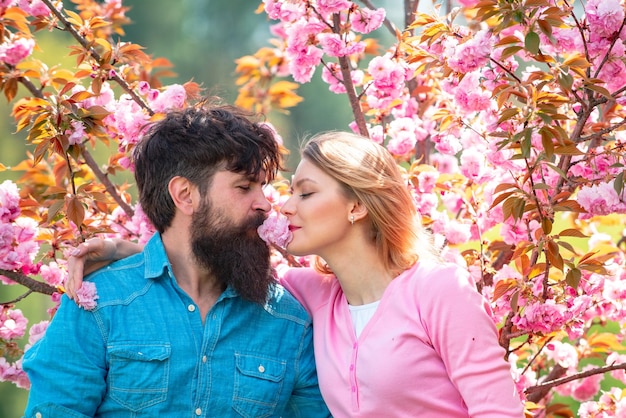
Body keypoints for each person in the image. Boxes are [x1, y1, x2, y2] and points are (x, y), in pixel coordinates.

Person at [66, 131, 525, 417]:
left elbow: (496, 410)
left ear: (357, 205)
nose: (280, 206)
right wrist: (133, 253)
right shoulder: (308, 296)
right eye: (285, 191)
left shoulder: (438, 289)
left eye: (305, 193)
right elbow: (202, 257)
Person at [22, 104, 331, 417]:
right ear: (185, 195)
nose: (265, 204)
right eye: (244, 187)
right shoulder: (99, 304)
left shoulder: (288, 321)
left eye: (262, 187)